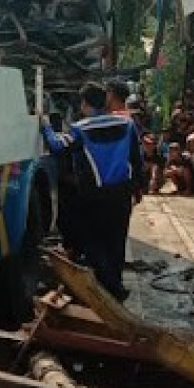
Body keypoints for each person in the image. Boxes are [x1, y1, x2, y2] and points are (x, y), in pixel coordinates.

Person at [42, 82, 144, 300]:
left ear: (84, 104)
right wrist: (138, 189)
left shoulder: (81, 128)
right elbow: (137, 159)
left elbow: (57, 146)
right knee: (116, 241)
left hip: (93, 196)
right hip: (121, 194)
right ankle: (115, 286)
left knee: (93, 242)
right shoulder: (127, 124)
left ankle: (109, 288)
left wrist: (46, 126)